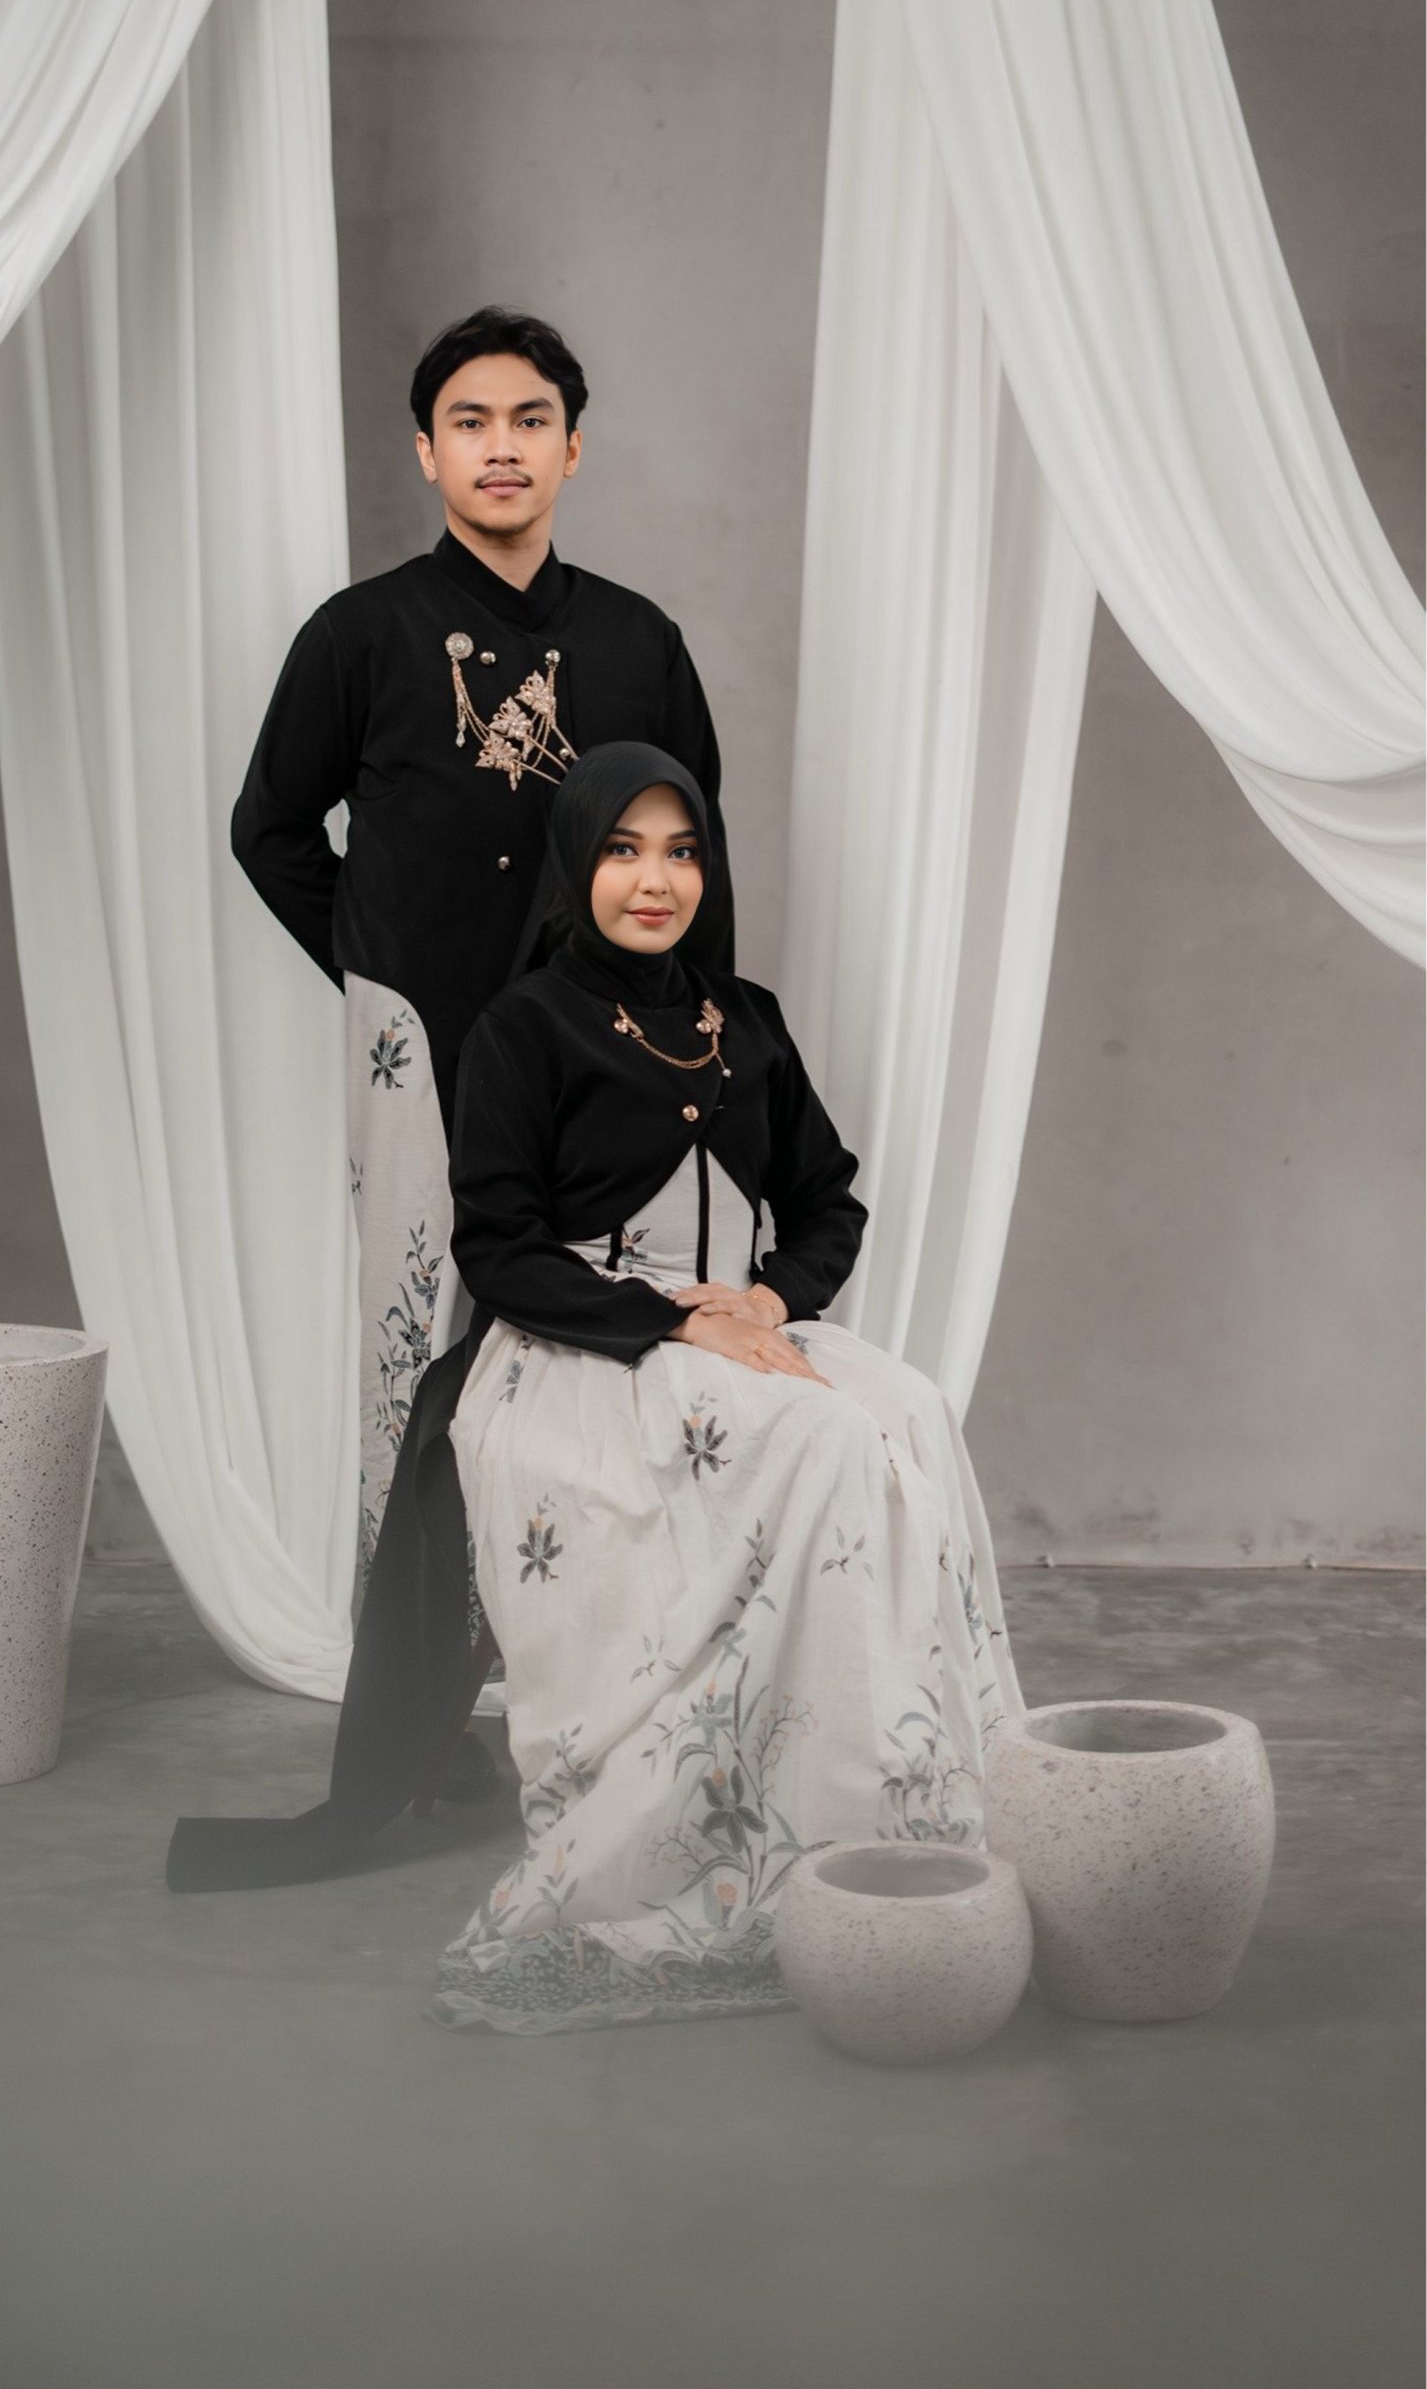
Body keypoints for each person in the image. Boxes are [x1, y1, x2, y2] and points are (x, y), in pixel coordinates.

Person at [168, 743, 1022, 2040]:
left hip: (732, 1328)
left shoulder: (746, 1019)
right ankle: (800, 1833)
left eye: (679, 852)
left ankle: (905, 1792)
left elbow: (826, 1202)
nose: (653, 879)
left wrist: (766, 1302)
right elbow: (500, 1252)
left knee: (907, 1409)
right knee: (828, 1445)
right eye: (623, 850)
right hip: (578, 1347)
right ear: (577, 864)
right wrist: (671, 1316)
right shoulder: (525, 1026)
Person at [231, 309, 731, 1578]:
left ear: (574, 449)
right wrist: (378, 976)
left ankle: (589, 1628)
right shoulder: (359, 634)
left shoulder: (640, 644)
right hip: (424, 1052)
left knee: (601, 1334)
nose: (501, 447)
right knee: (417, 1348)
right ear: (426, 451)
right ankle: (414, 1663)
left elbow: (696, 859)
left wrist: (688, 1046)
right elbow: (269, 829)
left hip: (603, 1056)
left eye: (530, 421)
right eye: (471, 422)